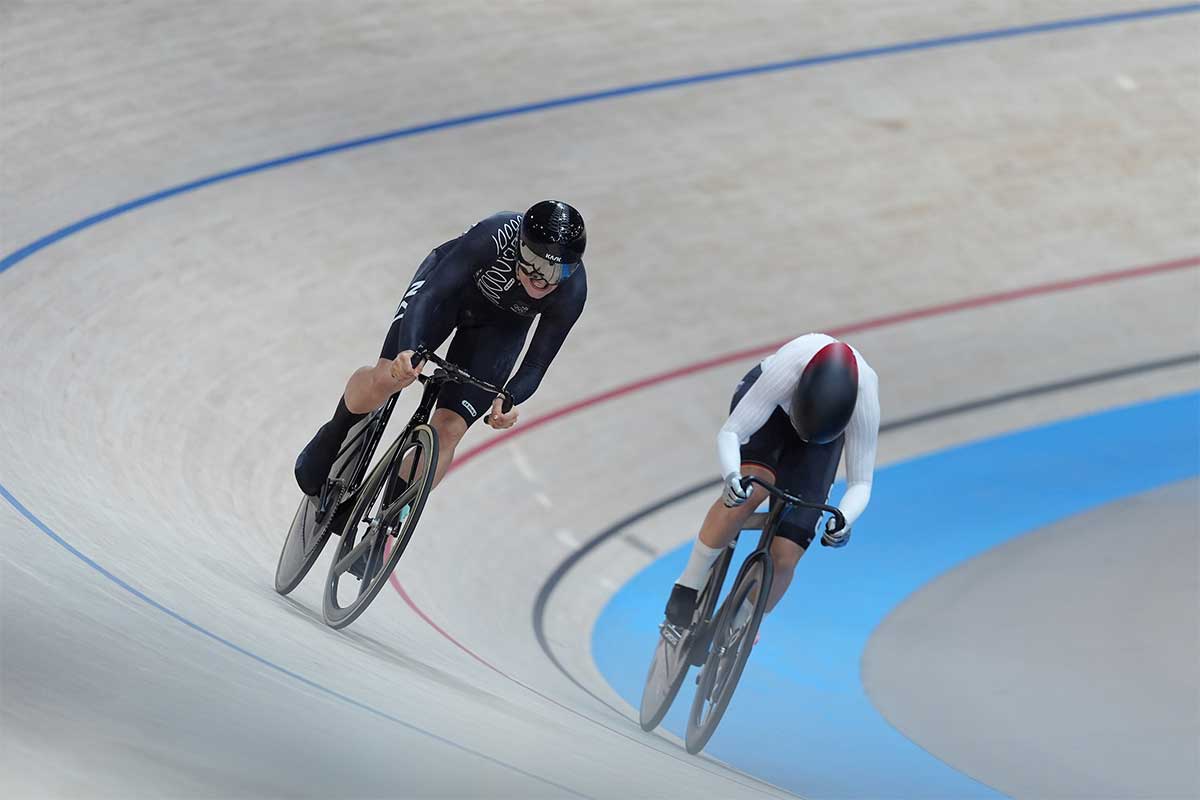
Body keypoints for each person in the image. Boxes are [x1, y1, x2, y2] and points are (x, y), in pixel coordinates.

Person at [294, 200, 588, 534]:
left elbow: (536, 363)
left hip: (500, 328)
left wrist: (509, 399)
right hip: (449, 295)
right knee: (389, 377)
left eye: (556, 271)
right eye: (535, 263)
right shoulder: (495, 234)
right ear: (520, 246)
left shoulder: (572, 291)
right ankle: (333, 433)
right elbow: (433, 293)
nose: (542, 279)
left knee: (450, 429)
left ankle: (386, 523)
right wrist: (408, 350)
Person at [663, 333, 880, 628]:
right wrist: (732, 477)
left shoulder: (864, 399)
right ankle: (688, 584)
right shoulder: (788, 368)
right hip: (772, 411)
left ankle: (741, 624)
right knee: (753, 486)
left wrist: (845, 519)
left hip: (822, 439)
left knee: (787, 555)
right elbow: (732, 433)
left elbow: (861, 483)